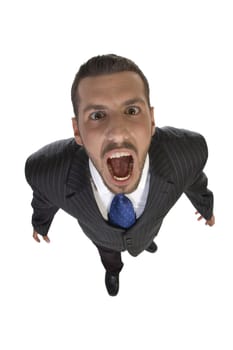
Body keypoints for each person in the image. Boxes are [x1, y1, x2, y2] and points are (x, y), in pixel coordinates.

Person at [25, 54, 215, 296]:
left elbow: (195, 179)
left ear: (152, 120)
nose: (117, 131)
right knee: (108, 254)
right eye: (97, 116)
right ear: (77, 131)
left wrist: (206, 207)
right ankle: (113, 269)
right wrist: (40, 225)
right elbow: (44, 197)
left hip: (150, 227)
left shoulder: (188, 153)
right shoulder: (47, 172)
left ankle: (144, 243)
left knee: (146, 236)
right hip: (102, 238)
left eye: (132, 110)